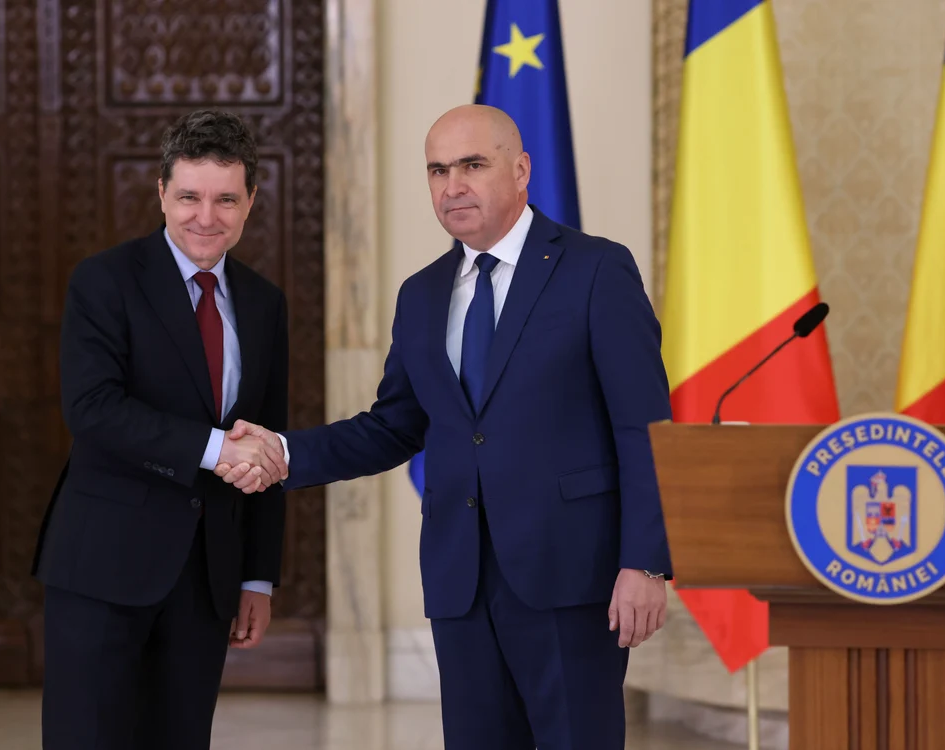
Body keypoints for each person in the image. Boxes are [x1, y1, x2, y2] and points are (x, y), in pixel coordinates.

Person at [220, 103, 673, 749]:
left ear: (521, 170)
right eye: (437, 170)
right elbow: (394, 425)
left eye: (472, 165)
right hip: (461, 579)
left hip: (571, 576)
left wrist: (645, 564)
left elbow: (643, 427)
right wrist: (285, 453)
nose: (452, 185)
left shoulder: (595, 270)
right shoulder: (423, 293)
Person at [32, 109, 290, 750]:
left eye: (226, 199)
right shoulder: (105, 280)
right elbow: (92, 407)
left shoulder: (265, 303)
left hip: (207, 578)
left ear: (251, 201)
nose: (207, 216)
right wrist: (215, 449)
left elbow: (269, 440)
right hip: (102, 567)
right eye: (189, 197)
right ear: (162, 194)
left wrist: (257, 577)